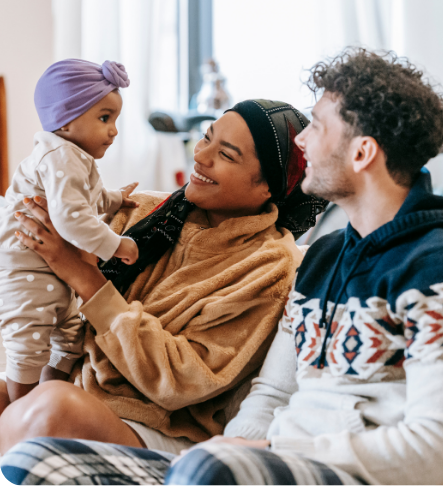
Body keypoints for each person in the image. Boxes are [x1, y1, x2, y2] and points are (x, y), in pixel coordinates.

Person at [2, 49, 443, 486]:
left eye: (319, 128)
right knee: (35, 463)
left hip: (316, 470)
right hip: (257, 463)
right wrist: (233, 449)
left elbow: (435, 452)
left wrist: (248, 455)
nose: (304, 144)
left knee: (174, 458)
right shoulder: (325, 260)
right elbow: (272, 393)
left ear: (363, 152)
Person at [0, 98, 326, 458]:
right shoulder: (145, 210)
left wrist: (86, 278)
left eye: (227, 155)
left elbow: (183, 380)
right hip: (78, 389)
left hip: (158, 426)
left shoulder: (271, 268)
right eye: (206, 138)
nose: (201, 156)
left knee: (52, 409)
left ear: (269, 187)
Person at [0, 60, 139, 403]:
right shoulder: (60, 155)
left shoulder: (72, 157)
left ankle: (46, 398)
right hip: (26, 272)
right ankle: (20, 410)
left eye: (115, 120)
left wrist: (115, 199)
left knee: (71, 339)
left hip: (52, 274)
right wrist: (116, 244)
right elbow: (71, 218)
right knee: (27, 344)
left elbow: (86, 198)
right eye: (105, 118)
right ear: (65, 120)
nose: (114, 131)